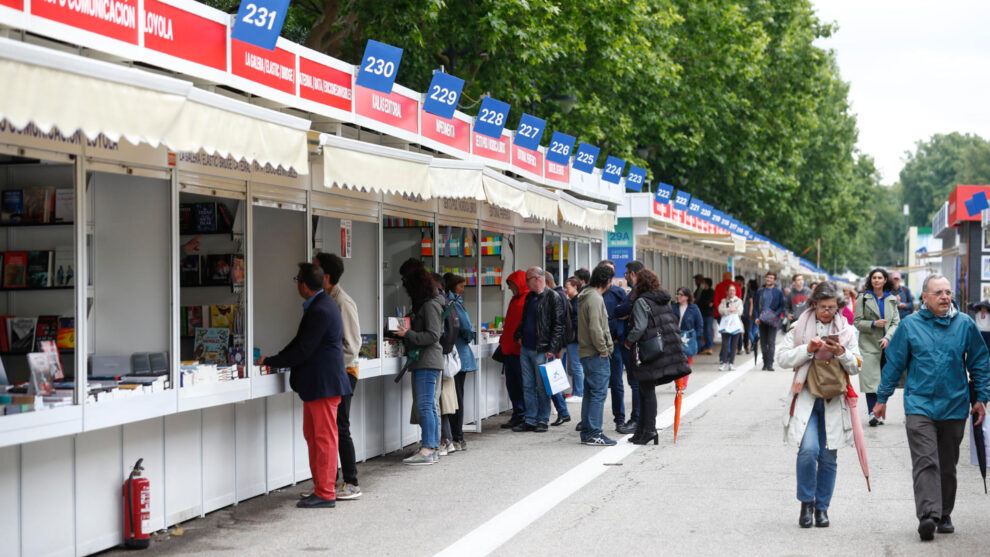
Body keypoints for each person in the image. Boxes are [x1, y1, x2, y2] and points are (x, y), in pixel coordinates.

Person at [874, 274, 990, 541]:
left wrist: (981, 398)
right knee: (926, 460)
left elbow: (980, 362)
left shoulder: (964, 325)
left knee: (947, 464)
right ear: (924, 297)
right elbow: (894, 363)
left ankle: (944, 512)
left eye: (948, 292)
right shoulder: (910, 325)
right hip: (919, 404)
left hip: (954, 404)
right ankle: (928, 515)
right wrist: (882, 398)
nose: (945, 297)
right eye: (938, 292)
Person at [258, 263, 351, 508]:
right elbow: (300, 342)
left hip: (323, 384)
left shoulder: (321, 309)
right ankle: (321, 487)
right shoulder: (319, 306)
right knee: (313, 436)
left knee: (323, 438)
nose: (296, 284)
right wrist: (272, 359)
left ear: (304, 284)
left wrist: (273, 361)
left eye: (297, 279)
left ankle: (325, 492)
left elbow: (303, 349)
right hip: (318, 385)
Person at [778, 281, 861, 528]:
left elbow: (857, 365)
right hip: (806, 397)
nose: (827, 311)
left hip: (833, 400)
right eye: (823, 307)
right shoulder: (798, 327)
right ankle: (806, 503)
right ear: (813, 304)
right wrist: (807, 349)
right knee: (808, 451)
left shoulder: (846, 330)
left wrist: (841, 352)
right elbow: (782, 358)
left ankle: (822, 508)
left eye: (832, 307)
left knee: (828, 456)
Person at [313, 252, 362, 500]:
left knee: (340, 427)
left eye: (316, 270)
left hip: (344, 373)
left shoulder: (343, 302)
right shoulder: (325, 299)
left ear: (327, 276)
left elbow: (352, 345)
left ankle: (351, 481)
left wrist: (327, 363)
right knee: (330, 429)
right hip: (332, 373)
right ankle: (327, 483)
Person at [625, 269, 690, 445]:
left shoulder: (641, 301)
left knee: (645, 390)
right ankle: (642, 430)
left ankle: (649, 430)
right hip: (661, 349)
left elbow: (639, 327)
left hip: (646, 350)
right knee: (646, 389)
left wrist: (628, 342)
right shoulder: (662, 300)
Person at [395, 267, 445, 465]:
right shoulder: (432, 303)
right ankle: (431, 447)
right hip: (429, 360)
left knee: (425, 405)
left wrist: (407, 334)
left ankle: (428, 449)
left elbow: (433, 335)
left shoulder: (429, 306)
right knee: (429, 406)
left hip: (427, 360)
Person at [512, 267, 566, 432]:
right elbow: (525, 319)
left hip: (542, 349)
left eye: (527, 280)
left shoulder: (552, 297)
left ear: (536, 279)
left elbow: (558, 324)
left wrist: (552, 347)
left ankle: (542, 419)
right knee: (528, 385)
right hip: (527, 347)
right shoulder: (530, 297)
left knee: (542, 386)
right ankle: (531, 419)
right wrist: (519, 335)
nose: (525, 284)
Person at [854, 268, 900, 426]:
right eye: (874, 277)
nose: (877, 280)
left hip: (887, 345)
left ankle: (880, 411)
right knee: (870, 380)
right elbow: (857, 322)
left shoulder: (891, 298)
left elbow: (896, 323)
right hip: (868, 345)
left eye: (880, 277)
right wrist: (874, 324)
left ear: (885, 280)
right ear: (870, 280)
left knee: (884, 381)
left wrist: (888, 337)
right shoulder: (863, 298)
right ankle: (872, 413)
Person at [577, 264, 616, 446]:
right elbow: (595, 328)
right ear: (607, 281)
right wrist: (603, 350)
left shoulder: (586, 296)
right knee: (598, 393)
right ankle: (594, 432)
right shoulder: (595, 299)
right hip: (595, 353)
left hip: (586, 351)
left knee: (590, 392)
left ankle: (587, 431)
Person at [599, 261, 636, 433]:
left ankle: (619, 419)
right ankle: (590, 419)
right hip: (597, 345)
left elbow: (625, 314)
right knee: (594, 384)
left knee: (617, 383)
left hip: (617, 344)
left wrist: (618, 337)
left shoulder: (618, 292)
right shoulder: (592, 293)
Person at [442, 274, 477, 452]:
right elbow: (466, 327)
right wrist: (471, 334)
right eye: (461, 286)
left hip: (453, 357)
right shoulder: (455, 303)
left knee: (454, 398)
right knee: (457, 398)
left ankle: (454, 436)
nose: (463, 289)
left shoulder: (450, 302)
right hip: (459, 357)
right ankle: (457, 436)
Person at [614, 260, 646, 434]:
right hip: (643, 343)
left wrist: (628, 341)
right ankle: (642, 419)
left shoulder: (637, 293)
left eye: (626, 274)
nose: (625, 277)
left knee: (635, 383)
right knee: (640, 383)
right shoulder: (648, 292)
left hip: (635, 344)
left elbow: (619, 311)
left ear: (633, 274)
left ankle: (636, 420)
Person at [499, 270, 529, 429]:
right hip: (509, 349)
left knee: (522, 384)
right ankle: (518, 414)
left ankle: (524, 415)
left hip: (518, 350)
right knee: (512, 385)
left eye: (512, 285)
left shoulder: (526, 299)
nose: (511, 289)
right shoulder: (515, 300)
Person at [545, 273, 572, 426]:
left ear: (548, 282)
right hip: (558, 344)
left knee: (552, 379)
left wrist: (553, 345)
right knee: (553, 378)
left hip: (555, 345)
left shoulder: (555, 296)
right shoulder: (561, 295)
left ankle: (562, 411)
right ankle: (562, 411)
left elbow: (557, 323)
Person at [755, 271, 786, 371]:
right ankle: (765, 363)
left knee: (771, 342)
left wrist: (775, 315)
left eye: (771, 278)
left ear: (775, 280)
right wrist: (756, 317)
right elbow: (756, 306)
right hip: (762, 319)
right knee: (763, 342)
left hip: (773, 320)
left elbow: (782, 306)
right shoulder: (760, 291)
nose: (769, 279)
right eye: (767, 277)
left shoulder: (778, 292)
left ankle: (770, 364)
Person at [563, 277, 584, 402]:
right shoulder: (573, 301)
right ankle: (577, 391)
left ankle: (579, 392)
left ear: (575, 287)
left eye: (568, 287)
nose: (566, 289)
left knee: (576, 366)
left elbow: (576, 321)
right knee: (575, 365)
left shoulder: (577, 302)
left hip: (574, 338)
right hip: (574, 337)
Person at [674, 287, 705, 366]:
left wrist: (695, 337)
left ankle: (683, 379)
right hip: (675, 338)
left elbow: (700, 325)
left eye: (681, 295)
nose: (678, 296)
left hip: (688, 339)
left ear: (687, 297)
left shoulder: (694, 308)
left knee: (686, 365)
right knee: (676, 364)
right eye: (677, 294)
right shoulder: (673, 307)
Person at [717, 284, 744, 371]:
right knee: (725, 344)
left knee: (734, 345)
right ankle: (724, 362)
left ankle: (731, 363)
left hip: (735, 325)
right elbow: (720, 310)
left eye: (733, 290)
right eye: (730, 290)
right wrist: (729, 310)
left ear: (735, 292)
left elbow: (740, 311)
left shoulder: (739, 301)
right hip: (726, 325)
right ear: (727, 292)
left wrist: (731, 310)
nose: (732, 292)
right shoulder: (724, 300)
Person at [697, 278, 715, 355]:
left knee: (708, 330)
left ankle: (709, 347)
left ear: (707, 283)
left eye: (703, 282)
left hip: (708, 314)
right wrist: (706, 304)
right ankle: (705, 346)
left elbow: (706, 302)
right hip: (701, 313)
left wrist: (705, 303)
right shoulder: (701, 291)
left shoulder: (711, 292)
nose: (702, 284)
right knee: (703, 331)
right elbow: (699, 302)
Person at [743, 278, 760, 353]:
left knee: (748, 330)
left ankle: (753, 341)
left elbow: (751, 303)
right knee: (754, 329)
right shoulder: (759, 292)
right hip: (757, 312)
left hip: (750, 312)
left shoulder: (750, 292)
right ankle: (754, 341)